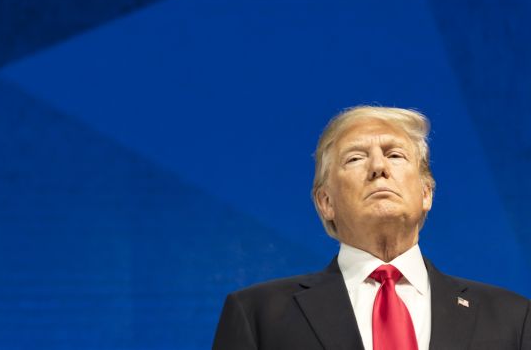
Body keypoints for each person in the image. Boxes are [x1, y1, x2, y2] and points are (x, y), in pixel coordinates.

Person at [212, 106, 530, 350]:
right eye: (355, 158)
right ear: (325, 201)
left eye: (395, 155)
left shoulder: (512, 318)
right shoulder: (258, 316)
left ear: (426, 194)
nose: (379, 167)